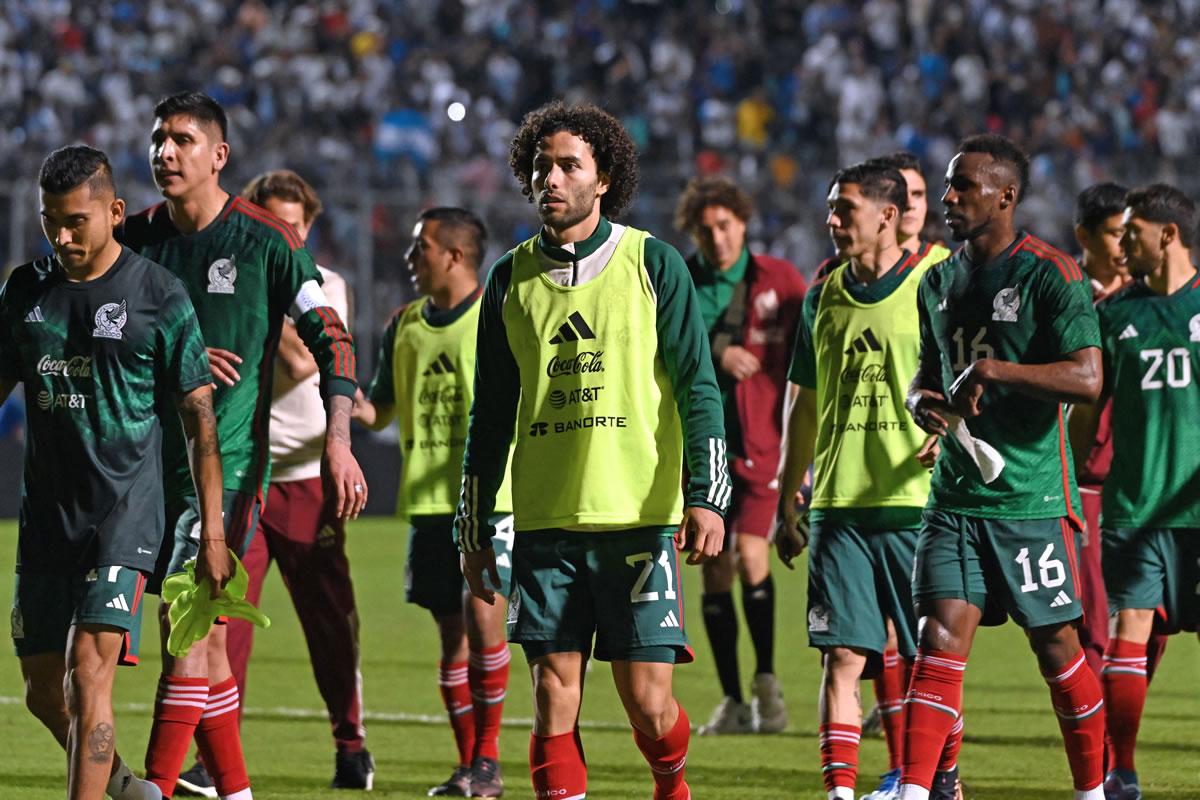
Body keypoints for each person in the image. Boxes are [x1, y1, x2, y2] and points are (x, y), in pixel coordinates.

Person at [455, 101, 729, 800]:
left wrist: (707, 497)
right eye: (541, 165)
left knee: (648, 702)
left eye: (569, 164)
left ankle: (672, 785)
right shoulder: (508, 279)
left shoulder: (652, 263)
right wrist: (474, 525)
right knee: (553, 694)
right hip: (544, 524)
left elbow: (700, 387)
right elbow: (489, 416)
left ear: (603, 177)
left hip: (636, 520)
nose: (551, 177)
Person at [118, 91, 366, 800]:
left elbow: (333, 338)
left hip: (224, 475)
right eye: (159, 138)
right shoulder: (132, 241)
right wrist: (173, 358)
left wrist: (340, 441)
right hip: (139, 472)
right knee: (213, 646)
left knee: (187, 635)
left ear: (219, 156)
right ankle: (237, 791)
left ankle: (157, 789)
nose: (165, 151)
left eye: (183, 140)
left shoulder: (266, 240)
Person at [7, 145, 228, 800]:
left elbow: (200, 421)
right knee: (44, 692)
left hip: (123, 517)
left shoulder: (158, 297)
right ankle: (128, 788)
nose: (64, 235)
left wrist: (211, 530)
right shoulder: (25, 291)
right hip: (47, 520)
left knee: (88, 673)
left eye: (77, 220)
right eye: (52, 221)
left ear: (115, 211)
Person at [901, 133, 1107, 800]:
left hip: (1029, 500)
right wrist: (920, 401)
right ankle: (913, 791)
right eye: (948, 184)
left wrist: (996, 371)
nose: (948, 197)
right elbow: (927, 376)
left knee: (1056, 647)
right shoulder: (936, 281)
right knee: (937, 641)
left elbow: (1087, 377)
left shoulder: (1051, 274)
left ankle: (1093, 791)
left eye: (965, 186)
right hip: (955, 498)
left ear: (1007, 197)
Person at [776, 161, 955, 800]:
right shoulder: (822, 294)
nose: (831, 221)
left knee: (930, 662)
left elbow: (982, 365)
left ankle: (936, 784)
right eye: (830, 207)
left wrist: (959, 421)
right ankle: (841, 794)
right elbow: (802, 402)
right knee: (842, 658)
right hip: (838, 505)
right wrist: (784, 497)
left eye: (843, 209)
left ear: (886, 215)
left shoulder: (936, 284)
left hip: (916, 504)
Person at [353, 207, 514, 798]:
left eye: (420, 248)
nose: (409, 260)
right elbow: (381, 409)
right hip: (428, 504)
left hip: (490, 502)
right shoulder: (404, 326)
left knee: (484, 621)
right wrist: (336, 394)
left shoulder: (498, 316)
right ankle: (470, 764)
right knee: (453, 638)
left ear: (454, 255)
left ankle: (489, 762)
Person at [221, 170, 372, 790]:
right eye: (277, 222)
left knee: (331, 622)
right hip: (246, 478)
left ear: (308, 227)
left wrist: (269, 318)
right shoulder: (234, 279)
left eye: (298, 224)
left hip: (309, 478)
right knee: (222, 625)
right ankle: (215, 753)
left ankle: (351, 744)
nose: (289, 234)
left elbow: (300, 360)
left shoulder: (327, 283)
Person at [1068, 183, 1200, 800]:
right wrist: (1066, 483)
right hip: (1135, 509)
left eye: (1133, 233)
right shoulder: (1114, 314)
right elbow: (1087, 417)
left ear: (1166, 234)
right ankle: (1121, 771)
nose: (1122, 245)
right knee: (1129, 631)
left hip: (1194, 512)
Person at [673, 175, 805, 736]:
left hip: (763, 447)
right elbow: (662, 348)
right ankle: (731, 698)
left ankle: (767, 684)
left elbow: (810, 363)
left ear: (744, 224)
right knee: (714, 572)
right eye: (706, 230)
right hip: (702, 449)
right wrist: (719, 350)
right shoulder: (679, 280)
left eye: (725, 226)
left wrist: (807, 458)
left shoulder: (779, 280)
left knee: (753, 556)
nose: (717, 238)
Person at [855, 151, 948, 774]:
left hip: (934, 486)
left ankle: (941, 773)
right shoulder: (845, 278)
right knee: (883, 636)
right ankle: (902, 772)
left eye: (920, 194)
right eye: (904, 193)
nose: (913, 204)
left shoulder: (948, 272)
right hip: (865, 483)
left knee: (934, 641)